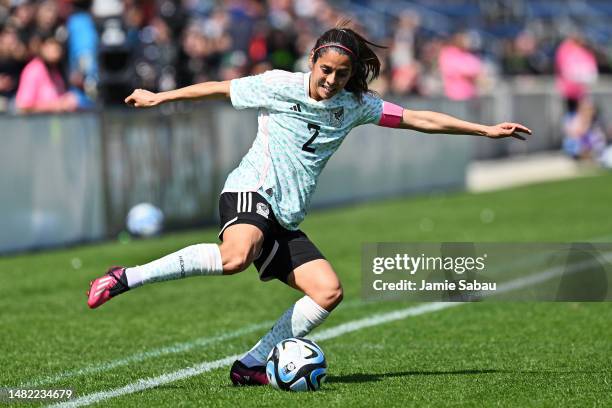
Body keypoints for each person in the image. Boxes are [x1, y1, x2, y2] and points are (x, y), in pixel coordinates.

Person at [86, 26, 531, 386]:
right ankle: (125, 277)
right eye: (325, 69)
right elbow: (220, 88)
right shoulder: (279, 85)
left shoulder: (355, 104)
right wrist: (160, 97)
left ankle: (252, 364)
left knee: (328, 291)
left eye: (340, 73)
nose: (330, 80)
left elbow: (419, 119)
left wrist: (484, 130)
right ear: (313, 59)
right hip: (250, 191)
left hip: (284, 215)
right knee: (235, 256)